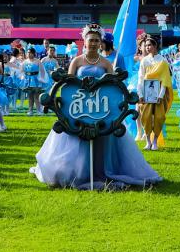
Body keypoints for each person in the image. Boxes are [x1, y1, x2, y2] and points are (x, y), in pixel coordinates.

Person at [30, 25, 161, 189]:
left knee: (102, 143)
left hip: (101, 111)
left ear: (101, 43)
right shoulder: (76, 61)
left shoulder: (106, 63)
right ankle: (78, 172)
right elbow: (68, 86)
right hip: (79, 110)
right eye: (90, 40)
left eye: (96, 41)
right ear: (85, 42)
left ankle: (102, 171)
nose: (93, 43)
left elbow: (113, 88)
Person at [136, 35, 172, 151]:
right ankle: (148, 141)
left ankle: (155, 141)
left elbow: (165, 80)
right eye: (146, 45)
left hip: (159, 93)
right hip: (146, 92)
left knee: (159, 117)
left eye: (150, 45)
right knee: (145, 117)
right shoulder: (144, 61)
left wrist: (161, 95)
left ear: (155, 46)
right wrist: (140, 94)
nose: (147, 47)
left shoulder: (162, 61)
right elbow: (141, 78)